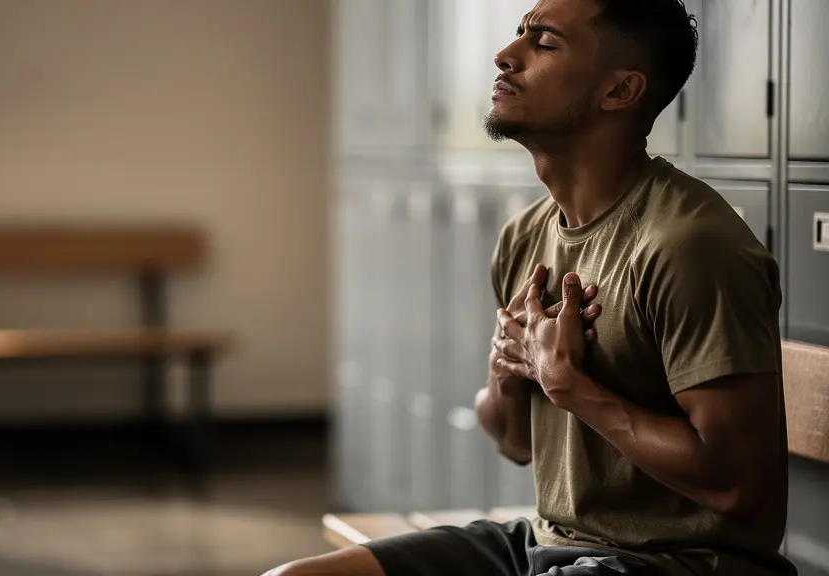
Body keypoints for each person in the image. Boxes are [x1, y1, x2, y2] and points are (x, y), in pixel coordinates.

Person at [263, 0, 795, 574]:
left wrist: (571, 386)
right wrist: (505, 370)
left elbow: (741, 486)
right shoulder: (526, 234)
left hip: (669, 562)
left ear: (618, 91)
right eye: (520, 33)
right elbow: (515, 441)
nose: (504, 55)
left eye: (543, 43)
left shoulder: (689, 245)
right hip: (546, 544)